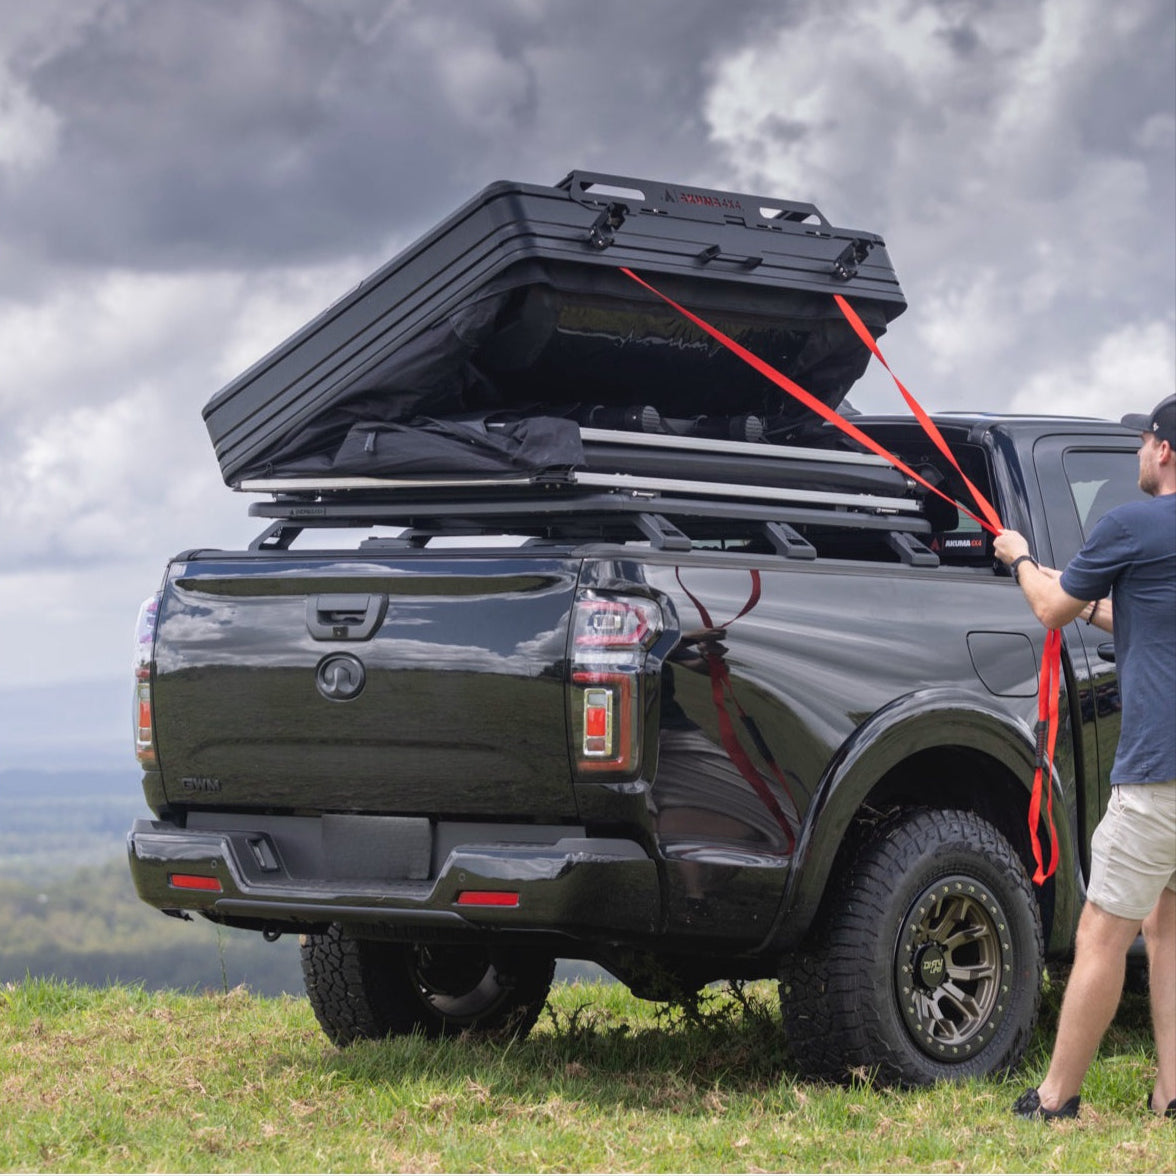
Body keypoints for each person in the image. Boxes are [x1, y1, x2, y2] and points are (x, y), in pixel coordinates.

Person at [993, 393, 1176, 1120]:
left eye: (1142, 443)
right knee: (1167, 922)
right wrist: (1094, 597)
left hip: (1158, 773)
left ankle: (1057, 1098)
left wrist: (1022, 558)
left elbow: (1049, 607)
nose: (1136, 454)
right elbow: (1143, 609)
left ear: (1163, 448)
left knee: (1102, 931)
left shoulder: (1131, 524)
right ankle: (1171, 1094)